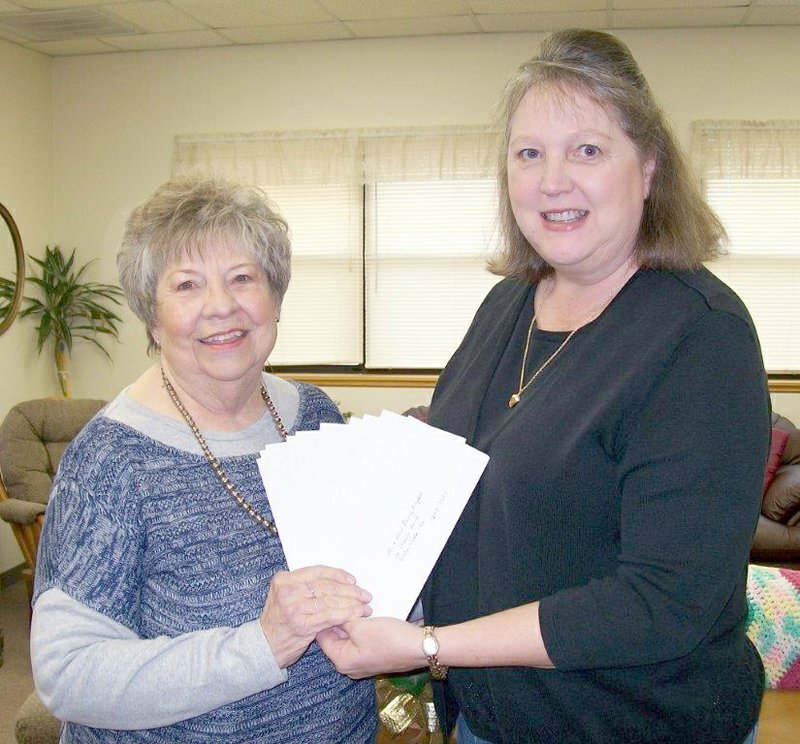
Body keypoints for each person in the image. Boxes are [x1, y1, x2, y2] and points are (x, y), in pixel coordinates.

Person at [318, 29, 770, 744]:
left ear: (649, 168)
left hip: (639, 727)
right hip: (489, 723)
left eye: (587, 150)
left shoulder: (699, 336)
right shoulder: (505, 307)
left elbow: (663, 602)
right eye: (529, 153)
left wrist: (429, 645)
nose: (552, 179)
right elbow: (445, 490)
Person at [29, 178, 377, 743]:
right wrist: (260, 646)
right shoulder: (110, 460)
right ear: (151, 314)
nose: (221, 307)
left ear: (275, 296)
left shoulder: (313, 413)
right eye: (187, 285)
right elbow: (68, 674)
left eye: (243, 278)